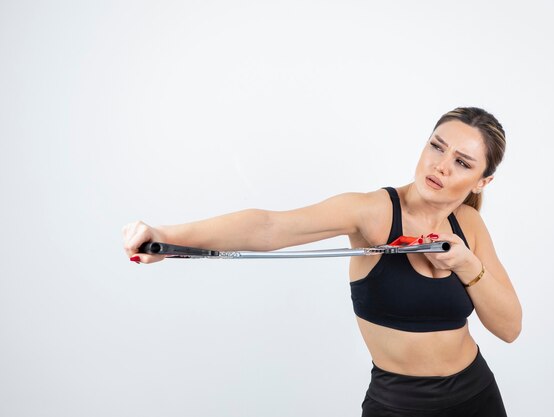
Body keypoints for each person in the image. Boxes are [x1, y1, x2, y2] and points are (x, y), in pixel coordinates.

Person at [122, 107, 522, 416]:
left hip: (476, 396)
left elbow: (509, 328)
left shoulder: (468, 224)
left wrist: (468, 266)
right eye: (437, 146)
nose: (441, 165)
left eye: (463, 162)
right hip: (398, 405)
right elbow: (268, 227)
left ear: (483, 181)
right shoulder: (371, 212)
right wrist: (168, 237)